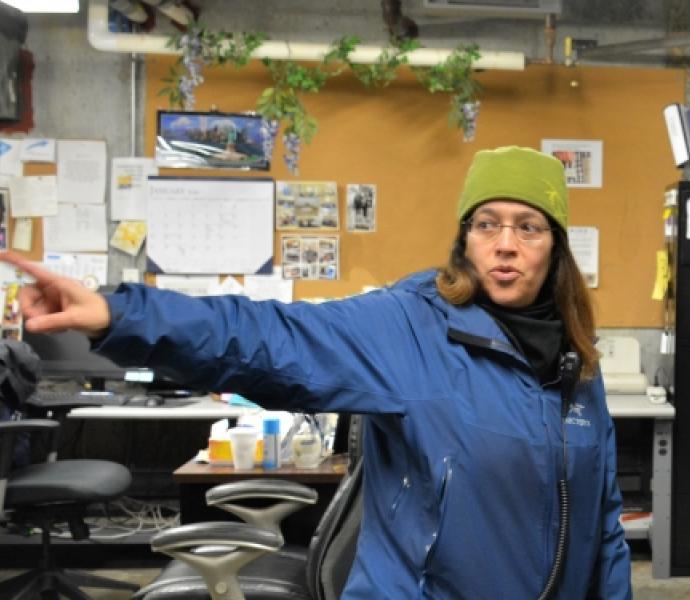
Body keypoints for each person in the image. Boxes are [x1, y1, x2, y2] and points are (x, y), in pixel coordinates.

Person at [0, 146, 632, 599]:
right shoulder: (409, 326)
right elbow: (268, 337)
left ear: (556, 249)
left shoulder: (577, 362)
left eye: (529, 227)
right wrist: (119, 314)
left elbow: (603, 523)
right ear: (464, 240)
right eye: (486, 224)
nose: (505, 244)